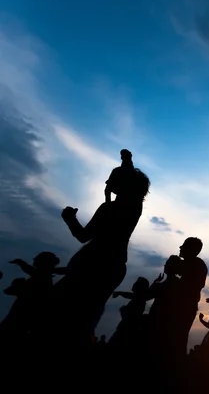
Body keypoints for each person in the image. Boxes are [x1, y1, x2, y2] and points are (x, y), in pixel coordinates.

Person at [52, 149, 150, 351]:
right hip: (111, 266)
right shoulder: (132, 208)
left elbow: (83, 236)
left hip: (95, 264)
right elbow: (129, 179)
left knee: (67, 311)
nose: (106, 182)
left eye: (110, 179)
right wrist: (126, 161)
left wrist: (70, 219)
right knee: (87, 314)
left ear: (123, 185)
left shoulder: (112, 208)